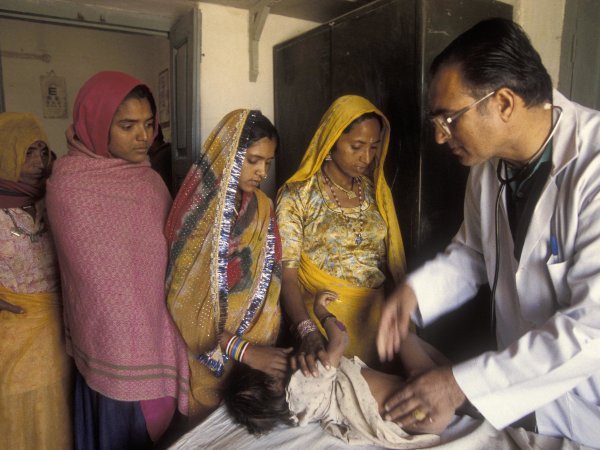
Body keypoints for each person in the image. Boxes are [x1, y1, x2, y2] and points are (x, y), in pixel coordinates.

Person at [376, 18, 600, 447]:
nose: (441, 137)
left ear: (503, 103)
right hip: (523, 393)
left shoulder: (592, 169)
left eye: (449, 119)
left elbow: (591, 329)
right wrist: (414, 294)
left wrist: (458, 385)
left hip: (588, 398)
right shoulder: (488, 169)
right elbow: (473, 254)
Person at [45, 71, 190, 449]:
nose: (144, 137)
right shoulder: (68, 185)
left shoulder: (150, 182)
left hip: (160, 329)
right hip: (109, 343)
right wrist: (128, 334)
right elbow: (94, 281)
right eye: (127, 126)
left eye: (148, 124)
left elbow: (170, 255)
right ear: (96, 125)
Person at [164, 109, 288, 424]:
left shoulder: (263, 206)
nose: (261, 171)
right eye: (253, 160)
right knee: (208, 429)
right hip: (208, 354)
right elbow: (183, 302)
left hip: (254, 347)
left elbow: (271, 275)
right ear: (231, 152)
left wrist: (256, 347)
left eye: (267, 163)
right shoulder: (198, 211)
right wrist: (241, 349)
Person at [276, 95, 406, 375]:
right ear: (331, 141)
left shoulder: (376, 192)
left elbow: (390, 266)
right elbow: (286, 276)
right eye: (356, 146)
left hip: (376, 323)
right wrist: (307, 331)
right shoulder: (297, 195)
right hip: (325, 325)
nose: (367, 158)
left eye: (374, 147)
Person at [223, 290, 443, 448]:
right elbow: (340, 341)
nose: (284, 352)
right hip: (431, 400)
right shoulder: (306, 380)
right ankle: (459, 382)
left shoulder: (301, 411)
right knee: (404, 336)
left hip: (423, 422)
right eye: (276, 357)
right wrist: (321, 311)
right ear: (273, 378)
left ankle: (459, 388)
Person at [0, 112, 72, 450]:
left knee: (59, 410)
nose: (38, 161)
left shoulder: (54, 198)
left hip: (59, 331)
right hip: (11, 336)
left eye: (43, 151)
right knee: (19, 413)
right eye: (28, 151)